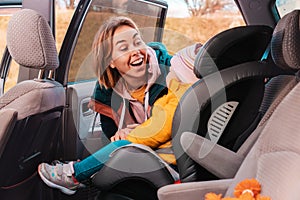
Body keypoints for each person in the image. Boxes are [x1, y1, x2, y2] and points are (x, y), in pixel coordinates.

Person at [38, 16, 201, 195]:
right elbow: (112, 137)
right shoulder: (107, 93)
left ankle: (74, 174)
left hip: (172, 158)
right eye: (124, 48)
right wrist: (123, 133)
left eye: (138, 42)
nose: (136, 51)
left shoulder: (173, 76)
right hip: (146, 151)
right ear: (111, 62)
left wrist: (136, 133)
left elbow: (164, 125)